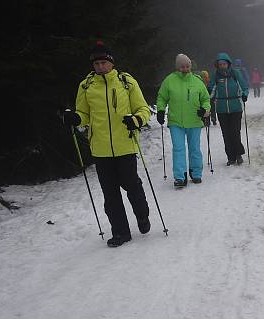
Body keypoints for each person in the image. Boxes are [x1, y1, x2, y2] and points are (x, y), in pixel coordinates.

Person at [62, 41, 151, 247]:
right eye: (96, 63)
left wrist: (136, 120)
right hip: (100, 149)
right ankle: (120, 232)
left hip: (125, 145)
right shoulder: (86, 86)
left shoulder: (126, 82)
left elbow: (143, 109)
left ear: (111, 63)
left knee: (132, 186)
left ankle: (142, 215)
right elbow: (83, 113)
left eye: (103, 62)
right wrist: (75, 118)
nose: (100, 66)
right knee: (110, 194)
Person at [155, 54, 211, 188]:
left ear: (190, 66)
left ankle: (196, 173)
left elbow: (206, 99)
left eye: (187, 66)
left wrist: (204, 110)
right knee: (178, 149)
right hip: (176, 122)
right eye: (182, 66)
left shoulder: (197, 81)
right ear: (177, 67)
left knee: (194, 149)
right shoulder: (169, 80)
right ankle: (180, 177)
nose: (185, 68)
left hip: (194, 121)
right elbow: (162, 97)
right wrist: (161, 110)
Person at [208, 52, 249, 166]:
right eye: (220, 64)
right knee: (226, 133)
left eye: (224, 64)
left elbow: (244, 86)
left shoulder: (235, 73)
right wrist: (208, 93)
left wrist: (245, 94)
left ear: (228, 63)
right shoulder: (215, 75)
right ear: (217, 65)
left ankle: (238, 154)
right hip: (221, 108)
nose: (222, 66)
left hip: (235, 106)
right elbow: (211, 89)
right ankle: (230, 157)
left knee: (235, 132)